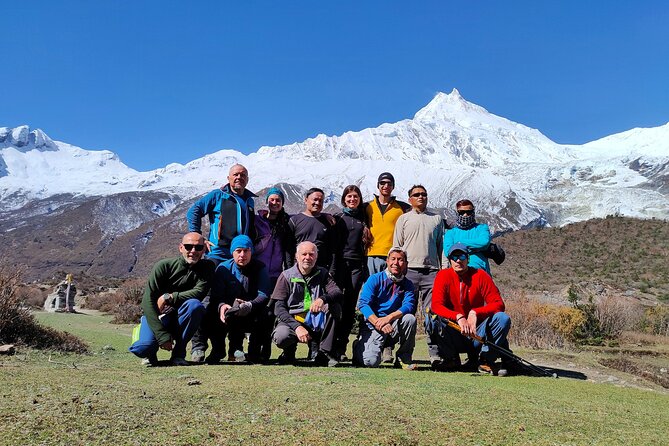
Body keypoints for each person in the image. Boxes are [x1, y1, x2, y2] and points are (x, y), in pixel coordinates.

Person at [128, 232, 215, 366]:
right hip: (159, 317)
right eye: (188, 247)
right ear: (181, 248)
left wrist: (169, 297)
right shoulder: (163, 266)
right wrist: (162, 335)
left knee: (195, 306)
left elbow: (199, 292)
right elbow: (147, 301)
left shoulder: (207, 268)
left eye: (198, 247)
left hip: (180, 317)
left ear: (204, 249)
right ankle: (149, 351)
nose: (193, 251)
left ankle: (179, 354)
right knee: (142, 348)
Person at [427, 243, 512, 375]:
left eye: (461, 256)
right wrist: (458, 316)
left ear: (468, 259)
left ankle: (485, 359)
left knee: (502, 318)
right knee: (432, 319)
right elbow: (436, 306)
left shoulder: (480, 275)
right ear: (449, 260)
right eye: (454, 257)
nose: (458, 260)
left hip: (477, 334)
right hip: (454, 332)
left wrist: (475, 312)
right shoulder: (443, 276)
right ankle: (451, 358)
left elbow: (498, 304)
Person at [392, 184, 445, 366]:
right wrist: (396, 269)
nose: (421, 197)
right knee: (407, 314)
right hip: (409, 273)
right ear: (410, 199)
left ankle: (435, 354)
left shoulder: (437, 219)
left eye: (424, 194)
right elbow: (397, 246)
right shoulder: (403, 219)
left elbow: (441, 248)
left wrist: (443, 271)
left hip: (432, 272)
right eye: (416, 194)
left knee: (433, 315)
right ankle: (404, 353)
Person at [202, 235, 272, 364]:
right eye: (238, 251)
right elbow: (216, 295)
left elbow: (264, 294)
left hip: (252, 310)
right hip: (228, 310)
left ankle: (255, 351)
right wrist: (222, 305)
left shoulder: (260, 267)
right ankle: (219, 349)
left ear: (251, 251)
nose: (242, 255)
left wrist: (250, 305)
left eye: (246, 251)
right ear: (232, 252)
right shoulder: (223, 269)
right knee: (210, 312)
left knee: (267, 313)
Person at [272, 241, 343, 367]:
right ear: (296, 256)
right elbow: (278, 308)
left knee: (335, 307)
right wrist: (297, 327)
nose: (307, 258)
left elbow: (336, 292)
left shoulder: (323, 273)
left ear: (316, 256)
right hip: (293, 320)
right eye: (304, 254)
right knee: (282, 337)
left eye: (311, 254)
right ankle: (289, 351)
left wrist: (322, 299)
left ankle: (324, 352)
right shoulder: (286, 276)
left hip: (316, 320)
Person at [353, 247, 417, 369]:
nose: (396, 263)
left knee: (410, 319)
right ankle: (358, 346)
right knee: (371, 362)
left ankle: (403, 358)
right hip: (373, 325)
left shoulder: (407, 284)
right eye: (393, 259)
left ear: (406, 263)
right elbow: (363, 304)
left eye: (400, 260)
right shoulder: (375, 279)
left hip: (392, 326)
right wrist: (378, 322)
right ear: (387, 261)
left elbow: (409, 305)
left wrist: (389, 318)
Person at [186, 164, 257, 264]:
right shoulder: (218, 195)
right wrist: (198, 238)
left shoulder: (249, 200)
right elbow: (193, 211)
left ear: (247, 179)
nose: (239, 177)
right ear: (228, 178)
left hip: (240, 255)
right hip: (218, 254)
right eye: (235, 174)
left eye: (243, 175)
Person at [333, 185, 370, 360]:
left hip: (357, 266)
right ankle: (329, 344)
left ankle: (341, 347)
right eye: (349, 197)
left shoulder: (364, 218)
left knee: (349, 307)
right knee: (335, 305)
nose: (352, 199)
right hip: (340, 265)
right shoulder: (338, 218)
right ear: (344, 199)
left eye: (355, 196)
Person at [364, 172, 411, 275]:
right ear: (378, 185)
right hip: (371, 254)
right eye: (382, 183)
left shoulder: (402, 207)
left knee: (391, 287)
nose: (386, 186)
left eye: (389, 184)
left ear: (393, 187)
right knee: (373, 287)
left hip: (393, 256)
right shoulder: (367, 206)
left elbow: (419, 213)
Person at [285, 188, 337, 278]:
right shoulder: (294, 221)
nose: (317, 203)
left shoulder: (328, 222)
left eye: (321, 201)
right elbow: (288, 248)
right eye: (315, 199)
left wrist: (331, 270)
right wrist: (289, 269)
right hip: (298, 269)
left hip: (321, 270)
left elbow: (332, 249)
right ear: (306, 200)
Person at [254, 187, 292, 290]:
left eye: (278, 200)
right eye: (272, 200)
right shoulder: (257, 220)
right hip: (257, 270)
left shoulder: (286, 221)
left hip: (276, 273)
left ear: (282, 203)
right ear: (267, 202)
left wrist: (324, 215)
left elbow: (305, 217)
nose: (275, 202)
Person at [443, 199, 492, 275]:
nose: (465, 215)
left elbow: (484, 242)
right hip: (458, 274)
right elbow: (448, 252)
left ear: (473, 212)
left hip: (480, 272)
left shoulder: (482, 228)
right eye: (461, 212)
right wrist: (475, 248)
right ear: (457, 213)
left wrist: (459, 244)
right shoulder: (450, 232)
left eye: (468, 212)